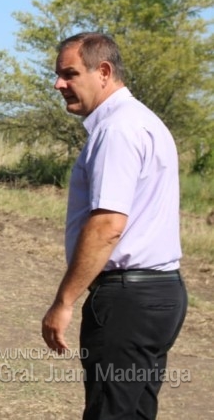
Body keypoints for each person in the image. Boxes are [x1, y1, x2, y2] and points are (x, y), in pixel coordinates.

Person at [41, 32, 187, 419]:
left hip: (128, 300)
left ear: (103, 71)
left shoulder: (117, 129)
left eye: (69, 74)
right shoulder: (141, 121)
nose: (58, 84)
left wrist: (64, 301)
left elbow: (107, 224)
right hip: (158, 293)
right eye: (58, 75)